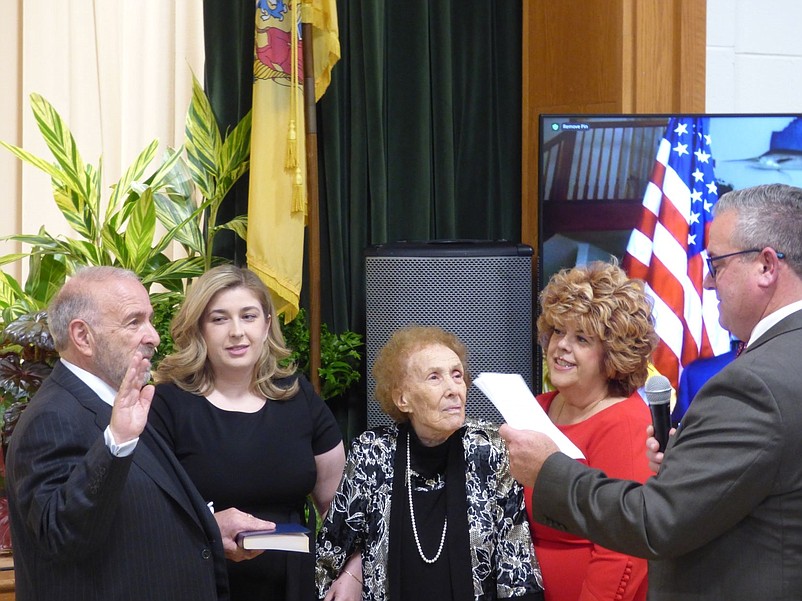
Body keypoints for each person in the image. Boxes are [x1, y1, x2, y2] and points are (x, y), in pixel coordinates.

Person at [500, 182, 802, 601]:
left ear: (767, 266)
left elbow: (654, 523)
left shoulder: (752, 383)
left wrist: (549, 470)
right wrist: (688, 465)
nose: (709, 284)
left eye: (716, 264)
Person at [5, 266, 230, 601]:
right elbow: (61, 534)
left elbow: (130, 514)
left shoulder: (116, 401)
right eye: (134, 321)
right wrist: (116, 443)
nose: (153, 336)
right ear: (83, 336)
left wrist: (209, 525)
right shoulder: (52, 418)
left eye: (149, 319)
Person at [150, 264, 347, 601]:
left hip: (292, 586)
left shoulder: (297, 395)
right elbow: (146, 514)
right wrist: (210, 525)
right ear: (199, 328)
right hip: (197, 584)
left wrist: (348, 573)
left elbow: (339, 507)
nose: (237, 332)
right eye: (219, 319)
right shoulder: (166, 404)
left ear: (267, 324)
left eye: (249, 316)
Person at [316, 325, 544, 601]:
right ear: (403, 398)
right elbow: (331, 550)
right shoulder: (372, 452)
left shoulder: (490, 449)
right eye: (434, 377)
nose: (453, 389)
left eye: (457, 375)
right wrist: (349, 574)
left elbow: (516, 559)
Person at [529, 261, 656, 601]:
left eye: (581, 338)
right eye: (557, 331)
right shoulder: (537, 407)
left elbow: (625, 550)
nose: (561, 346)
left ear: (612, 354)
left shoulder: (626, 423)